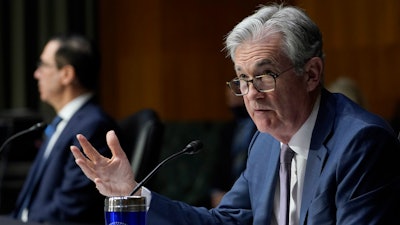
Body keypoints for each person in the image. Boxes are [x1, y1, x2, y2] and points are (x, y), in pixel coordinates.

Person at [70, 3, 400, 225]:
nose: (250, 93)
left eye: (264, 75)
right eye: (242, 78)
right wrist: (133, 193)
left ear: (312, 74)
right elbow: (224, 221)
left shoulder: (361, 142)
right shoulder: (265, 143)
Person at [11, 34, 122, 224]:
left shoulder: (91, 126)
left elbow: (71, 206)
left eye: (44, 65)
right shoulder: (65, 123)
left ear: (67, 75)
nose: (36, 74)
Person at [210, 88, 256, 207]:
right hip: (226, 192)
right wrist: (217, 192)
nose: (232, 103)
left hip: (251, 193)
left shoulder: (262, 128)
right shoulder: (228, 130)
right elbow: (219, 163)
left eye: (235, 97)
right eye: (229, 99)